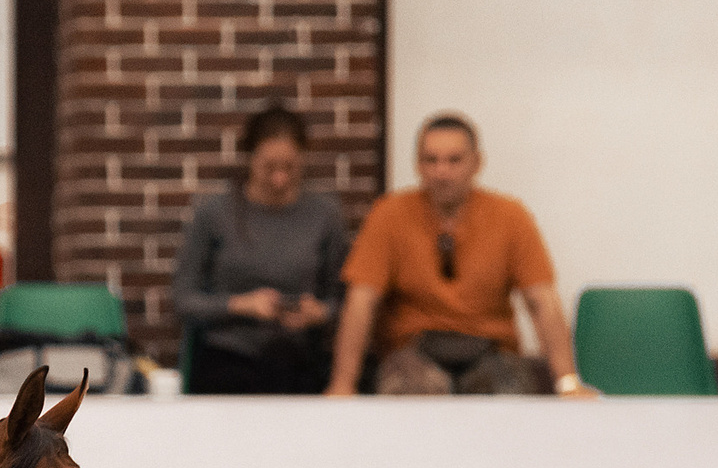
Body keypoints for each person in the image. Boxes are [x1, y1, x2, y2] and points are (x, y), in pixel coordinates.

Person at [325, 113, 592, 398]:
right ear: (418, 165)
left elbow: (541, 301)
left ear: (476, 163)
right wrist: (343, 384)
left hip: (492, 350)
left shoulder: (510, 216)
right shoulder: (389, 215)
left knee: (509, 396)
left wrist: (568, 382)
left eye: (454, 160)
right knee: (409, 396)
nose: (442, 171)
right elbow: (361, 301)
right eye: (431, 160)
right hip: (412, 351)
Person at [171, 104, 351, 393]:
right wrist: (242, 305)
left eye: (289, 167)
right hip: (227, 358)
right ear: (250, 159)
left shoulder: (324, 216)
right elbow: (183, 298)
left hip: (299, 360)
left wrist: (317, 313)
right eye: (269, 167)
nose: (279, 179)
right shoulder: (216, 214)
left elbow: (342, 300)